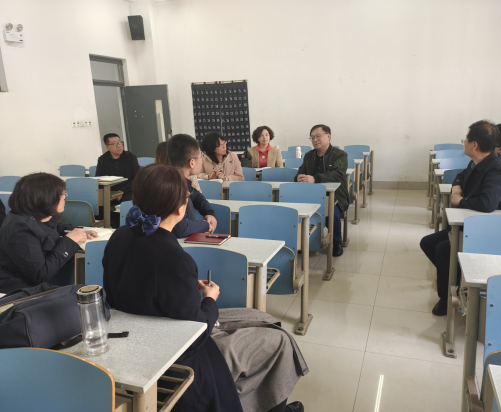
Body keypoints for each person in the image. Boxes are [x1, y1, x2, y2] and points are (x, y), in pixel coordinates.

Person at [103, 164, 306, 412]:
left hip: (136, 340)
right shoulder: (175, 259)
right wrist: (210, 299)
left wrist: (185, 288)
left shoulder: (119, 236)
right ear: (180, 209)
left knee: (260, 318)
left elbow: (119, 295)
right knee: (279, 340)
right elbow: (197, 331)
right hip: (178, 353)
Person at [420, 120, 501, 316]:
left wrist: (460, 200)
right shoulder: (477, 161)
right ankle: (456, 281)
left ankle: (447, 298)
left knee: (444, 249)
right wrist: (456, 187)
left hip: (492, 231)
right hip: (472, 224)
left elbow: (487, 204)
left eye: (466, 140)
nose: (464, 143)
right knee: (428, 243)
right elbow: (460, 176)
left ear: (475, 145)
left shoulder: (498, 168)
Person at [0, 173, 97, 294]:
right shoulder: (21, 229)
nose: (65, 196)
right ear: (45, 197)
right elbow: (40, 274)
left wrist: (73, 230)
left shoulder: (30, 215)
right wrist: (70, 240)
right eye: (62, 193)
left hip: (35, 285)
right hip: (20, 291)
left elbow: (48, 227)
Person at [295, 125, 349, 257]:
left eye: (318, 136)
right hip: (310, 194)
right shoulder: (309, 155)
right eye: (312, 137)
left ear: (328, 136)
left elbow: (338, 174)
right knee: (297, 212)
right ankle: (302, 241)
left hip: (334, 195)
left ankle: (336, 242)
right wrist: (299, 177)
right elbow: (302, 170)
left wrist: (315, 178)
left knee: (333, 214)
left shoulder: (340, 154)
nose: (315, 140)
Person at [167, 134, 218, 237]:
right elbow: (181, 228)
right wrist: (206, 225)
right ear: (192, 163)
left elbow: (196, 196)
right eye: (201, 156)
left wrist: (209, 212)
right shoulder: (173, 187)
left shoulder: (181, 180)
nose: (202, 160)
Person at [95, 133, 140, 203]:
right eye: (114, 144)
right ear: (107, 147)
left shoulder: (130, 157)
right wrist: (110, 193)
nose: (119, 146)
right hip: (109, 192)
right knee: (97, 202)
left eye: (119, 142)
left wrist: (121, 191)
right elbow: (99, 179)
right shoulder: (102, 160)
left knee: (131, 200)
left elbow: (137, 178)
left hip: (127, 190)